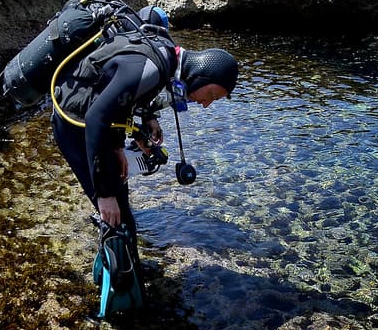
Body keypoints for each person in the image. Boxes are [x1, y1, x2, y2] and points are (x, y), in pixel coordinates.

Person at [50, 27, 239, 285]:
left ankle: (129, 269)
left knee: (122, 208)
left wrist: (124, 140)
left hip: (92, 121)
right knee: (114, 212)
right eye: (213, 95)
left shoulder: (165, 60)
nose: (207, 103)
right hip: (74, 123)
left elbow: (118, 100)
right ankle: (120, 287)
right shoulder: (153, 68)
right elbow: (97, 116)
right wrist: (103, 194)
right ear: (203, 74)